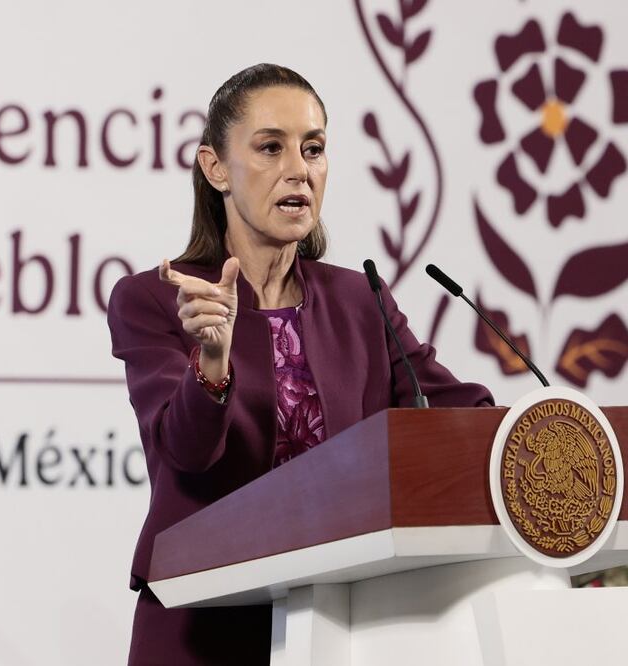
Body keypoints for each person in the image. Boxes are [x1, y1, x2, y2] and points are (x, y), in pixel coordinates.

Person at [106, 64, 494, 665]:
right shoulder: (157, 298)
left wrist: (596, 429)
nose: (299, 169)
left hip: (344, 625)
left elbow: (455, 414)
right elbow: (184, 454)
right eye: (270, 147)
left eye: (313, 149)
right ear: (215, 169)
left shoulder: (358, 298)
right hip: (207, 625)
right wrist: (211, 359)